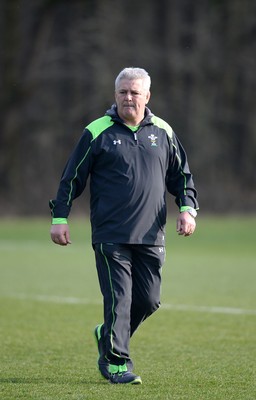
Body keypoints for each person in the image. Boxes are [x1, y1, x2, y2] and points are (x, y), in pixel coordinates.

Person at [49, 67, 198, 385]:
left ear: (147, 96)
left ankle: (107, 334)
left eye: (134, 92)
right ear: (115, 94)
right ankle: (117, 362)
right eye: (122, 92)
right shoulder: (97, 131)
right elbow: (71, 177)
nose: (128, 98)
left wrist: (187, 209)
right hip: (110, 233)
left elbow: (181, 176)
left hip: (152, 233)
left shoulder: (164, 131)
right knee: (120, 298)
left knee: (148, 300)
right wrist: (60, 217)